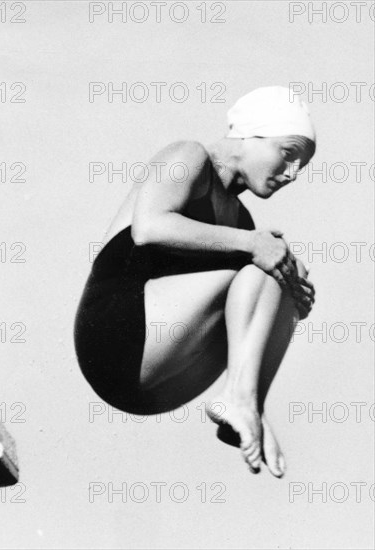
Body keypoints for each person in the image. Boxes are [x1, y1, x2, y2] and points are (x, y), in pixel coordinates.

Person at [74, 86, 316, 478]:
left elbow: (245, 286)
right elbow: (149, 228)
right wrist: (253, 247)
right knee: (268, 262)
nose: (292, 173)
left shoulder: (241, 220)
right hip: (115, 337)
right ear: (250, 134)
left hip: (157, 386)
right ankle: (241, 400)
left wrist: (288, 299)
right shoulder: (190, 157)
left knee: (285, 270)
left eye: (301, 166)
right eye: (288, 154)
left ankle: (250, 404)